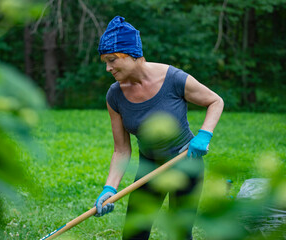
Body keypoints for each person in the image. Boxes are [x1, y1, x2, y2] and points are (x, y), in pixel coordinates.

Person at [94, 16, 224, 240]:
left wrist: (204, 135)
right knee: (134, 234)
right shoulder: (114, 95)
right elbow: (121, 150)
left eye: (112, 60)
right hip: (149, 167)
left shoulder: (173, 79)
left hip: (185, 162)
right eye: (105, 62)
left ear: (132, 54)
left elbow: (215, 101)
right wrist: (109, 189)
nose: (108, 68)